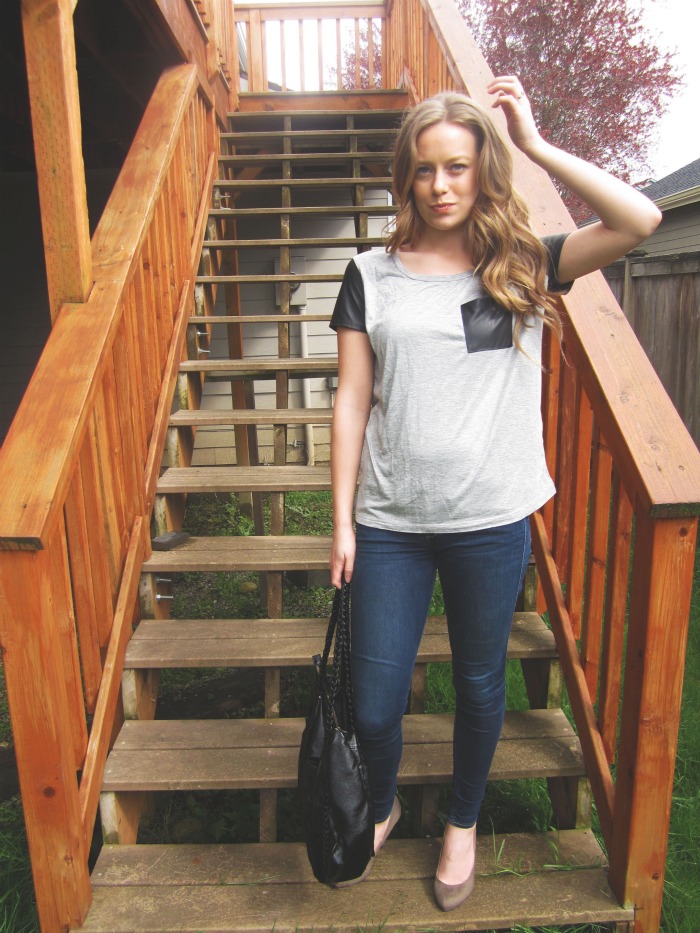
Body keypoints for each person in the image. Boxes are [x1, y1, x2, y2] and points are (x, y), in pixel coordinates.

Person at [328, 76, 661, 911]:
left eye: (458, 167)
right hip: (390, 522)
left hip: (488, 520)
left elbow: (640, 221)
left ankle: (462, 822)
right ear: (405, 176)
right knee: (374, 699)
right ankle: (383, 802)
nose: (441, 185)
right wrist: (342, 521)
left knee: (481, 684)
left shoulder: (523, 264)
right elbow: (352, 399)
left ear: (483, 171)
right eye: (425, 169)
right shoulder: (369, 273)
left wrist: (537, 146)